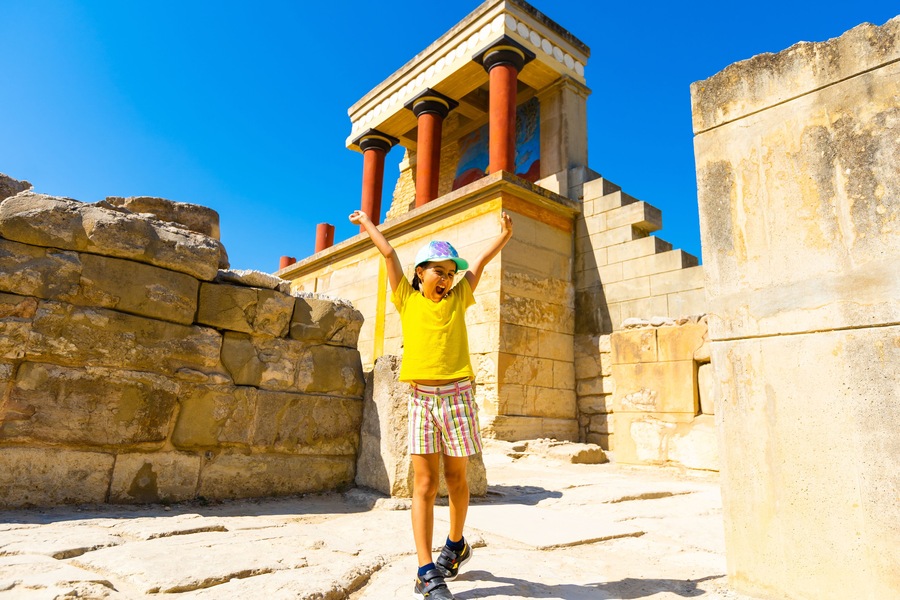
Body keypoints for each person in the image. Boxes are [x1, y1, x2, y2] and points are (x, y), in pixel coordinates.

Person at [349, 208, 513, 600]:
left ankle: (455, 545)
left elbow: (480, 262)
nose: (446, 279)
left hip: (458, 398)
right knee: (424, 483)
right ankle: (426, 570)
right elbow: (389, 255)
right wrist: (368, 224)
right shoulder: (405, 298)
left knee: (456, 480)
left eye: (451, 273)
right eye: (439, 271)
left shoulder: (459, 298)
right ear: (420, 273)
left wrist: (504, 236)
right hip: (421, 400)